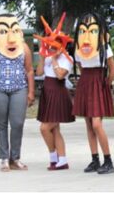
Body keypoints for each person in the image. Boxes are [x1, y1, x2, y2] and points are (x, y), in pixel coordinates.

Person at [0, 13, 35, 171]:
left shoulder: (23, 47)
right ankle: (4, 158)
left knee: (17, 123)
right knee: (1, 124)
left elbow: (30, 70)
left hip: (19, 88)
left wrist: (31, 92)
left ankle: (15, 158)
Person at [73, 12, 114, 174]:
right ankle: (95, 159)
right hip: (85, 82)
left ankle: (108, 160)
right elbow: (81, 66)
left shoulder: (105, 46)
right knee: (89, 125)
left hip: (99, 82)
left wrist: (106, 84)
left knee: (97, 124)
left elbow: (111, 70)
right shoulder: (78, 48)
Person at [34, 13, 75, 170]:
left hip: (58, 92)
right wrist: (44, 57)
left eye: (56, 42)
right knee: (54, 128)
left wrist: (56, 59)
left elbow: (59, 76)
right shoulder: (47, 56)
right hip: (47, 91)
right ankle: (61, 160)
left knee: (45, 128)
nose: (52, 45)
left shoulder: (67, 59)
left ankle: (54, 158)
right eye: (50, 42)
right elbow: (38, 73)